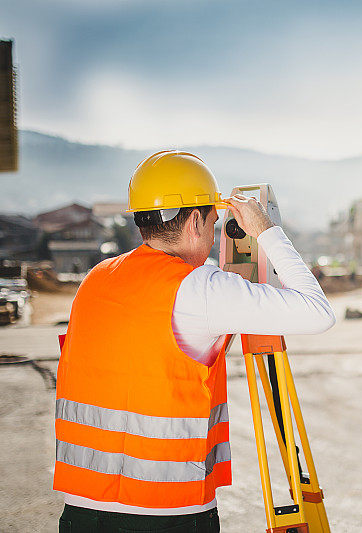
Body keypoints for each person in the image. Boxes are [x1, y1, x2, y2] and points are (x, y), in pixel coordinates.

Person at [53, 150, 335, 532]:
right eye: (216, 221)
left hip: (82, 510)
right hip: (165, 512)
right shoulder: (201, 289)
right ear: (196, 221)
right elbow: (318, 312)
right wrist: (267, 231)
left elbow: (156, 355)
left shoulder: (97, 279)